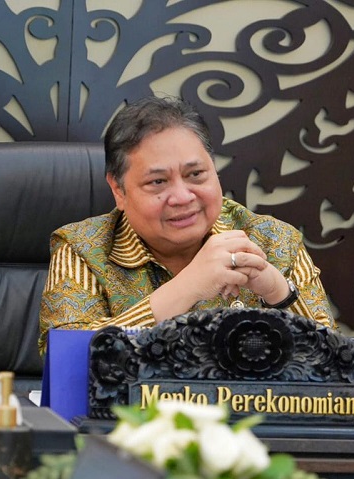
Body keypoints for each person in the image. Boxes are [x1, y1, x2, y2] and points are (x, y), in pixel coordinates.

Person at [38, 95, 334, 352]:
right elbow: (66, 359)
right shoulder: (83, 248)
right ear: (119, 190)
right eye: (157, 181)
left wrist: (278, 293)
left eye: (195, 175)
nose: (182, 197)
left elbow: (334, 367)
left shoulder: (274, 240)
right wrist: (187, 286)